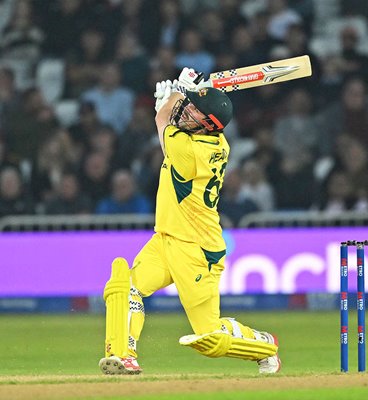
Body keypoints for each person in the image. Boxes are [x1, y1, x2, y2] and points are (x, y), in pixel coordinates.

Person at [98, 68, 280, 375]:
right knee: (125, 286)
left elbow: (162, 121)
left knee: (208, 334)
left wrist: (176, 93)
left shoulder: (190, 150)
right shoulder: (215, 141)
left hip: (197, 250)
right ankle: (122, 355)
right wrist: (177, 98)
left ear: (209, 124)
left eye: (195, 110)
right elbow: (167, 121)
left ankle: (264, 344)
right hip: (165, 238)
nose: (187, 110)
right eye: (190, 104)